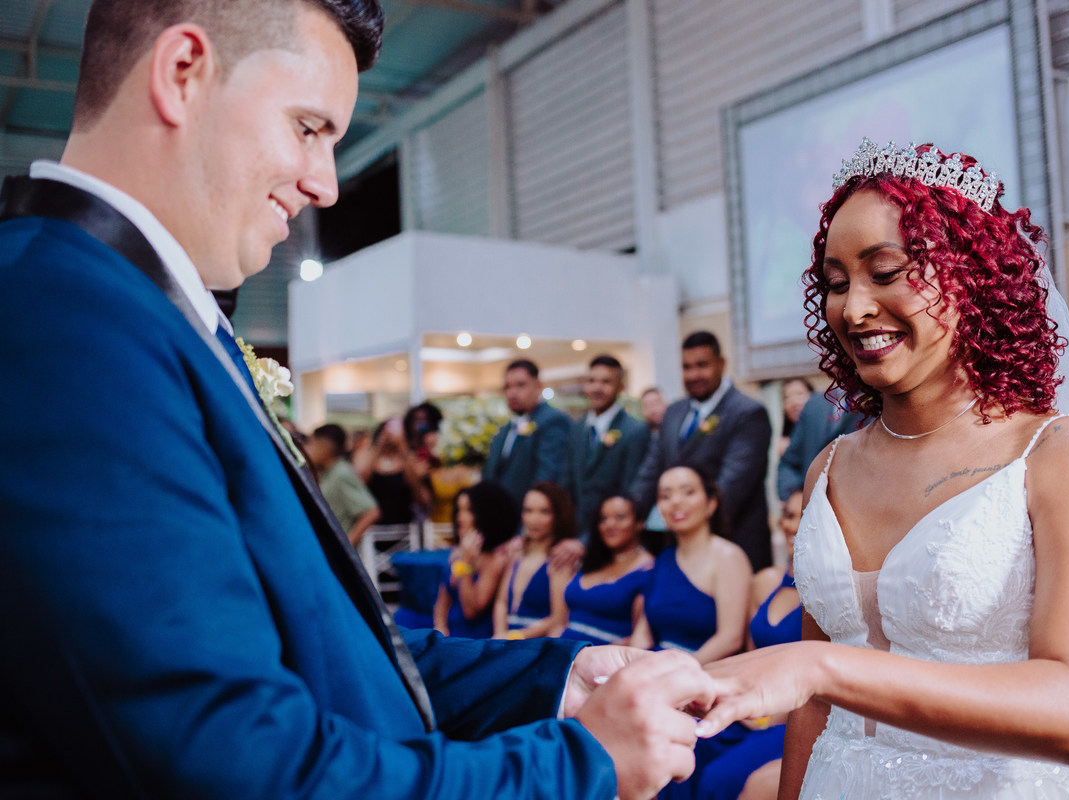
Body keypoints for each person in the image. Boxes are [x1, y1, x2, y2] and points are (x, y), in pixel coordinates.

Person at [0, 1, 719, 796]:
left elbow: (322, 641)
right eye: (309, 128)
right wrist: (579, 763)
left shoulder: (126, 309)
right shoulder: (61, 322)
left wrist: (553, 677)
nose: (326, 185)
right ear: (182, 74)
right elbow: (234, 761)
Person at [697, 139, 1069, 799]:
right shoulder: (829, 467)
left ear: (973, 274)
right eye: (836, 282)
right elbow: (814, 710)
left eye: (887, 270)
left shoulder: (1059, 453)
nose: (854, 309)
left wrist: (820, 665)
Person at [630, 332, 774, 570]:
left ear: (722, 363)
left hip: (732, 542)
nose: (694, 374)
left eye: (702, 365)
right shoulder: (674, 411)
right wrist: (629, 513)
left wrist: (678, 517)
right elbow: (651, 470)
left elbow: (731, 485)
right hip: (679, 544)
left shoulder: (748, 413)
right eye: (687, 367)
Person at [697, 489, 806, 800]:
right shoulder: (765, 581)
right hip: (750, 706)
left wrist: (772, 714)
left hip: (795, 717)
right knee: (685, 742)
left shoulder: (834, 594)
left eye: (805, 516)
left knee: (720, 779)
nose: (794, 526)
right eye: (788, 516)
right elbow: (749, 654)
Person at [631, 466, 751, 663]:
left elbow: (731, 639)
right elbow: (644, 630)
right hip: (657, 666)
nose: (676, 502)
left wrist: (678, 673)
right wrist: (634, 666)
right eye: (666, 496)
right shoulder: (663, 558)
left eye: (688, 492)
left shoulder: (728, 557)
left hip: (704, 672)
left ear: (711, 503)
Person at [564, 354, 652, 539]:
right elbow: (568, 484)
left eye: (606, 382)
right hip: (574, 533)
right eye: (592, 381)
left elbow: (630, 492)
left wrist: (587, 540)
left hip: (612, 534)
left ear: (620, 387)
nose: (597, 388)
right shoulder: (576, 429)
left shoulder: (635, 431)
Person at [560, 492, 654, 644]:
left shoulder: (648, 570)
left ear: (639, 523)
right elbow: (560, 622)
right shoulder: (592, 560)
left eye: (620, 517)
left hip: (604, 658)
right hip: (563, 650)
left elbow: (642, 638)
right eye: (603, 518)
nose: (609, 524)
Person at [431, 481, 521, 639]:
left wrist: (466, 563)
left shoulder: (495, 559)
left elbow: (471, 610)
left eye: (469, 511)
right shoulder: (457, 552)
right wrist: (440, 628)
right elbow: (441, 602)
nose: (460, 517)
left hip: (474, 639)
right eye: (458, 510)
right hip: (448, 634)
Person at [494, 481, 577, 639]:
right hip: (505, 638)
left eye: (544, 512)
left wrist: (514, 636)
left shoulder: (560, 559)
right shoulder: (516, 551)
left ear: (558, 515)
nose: (534, 519)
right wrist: (499, 634)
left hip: (536, 641)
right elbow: (501, 602)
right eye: (528, 511)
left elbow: (558, 619)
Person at [483, 359, 571, 505]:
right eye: (507, 387)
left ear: (538, 386)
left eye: (520, 385)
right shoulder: (506, 428)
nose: (512, 393)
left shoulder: (553, 421)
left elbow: (546, 479)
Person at [775, 388, 864, 502]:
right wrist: (794, 496)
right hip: (813, 504)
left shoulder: (884, 403)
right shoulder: (814, 403)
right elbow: (789, 462)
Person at [306, 422, 381, 545]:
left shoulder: (341, 472)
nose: (307, 448)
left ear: (324, 446)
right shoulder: (326, 472)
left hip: (335, 550)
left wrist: (346, 543)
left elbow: (371, 512)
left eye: (311, 443)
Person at [357, 415, 420, 525]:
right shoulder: (369, 455)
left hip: (403, 526)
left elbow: (415, 486)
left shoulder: (408, 458)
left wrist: (402, 448)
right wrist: (378, 448)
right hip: (376, 528)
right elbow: (361, 483)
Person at [777, 377, 813, 457]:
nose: (794, 401)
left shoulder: (829, 433)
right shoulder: (784, 444)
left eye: (800, 394)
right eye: (787, 397)